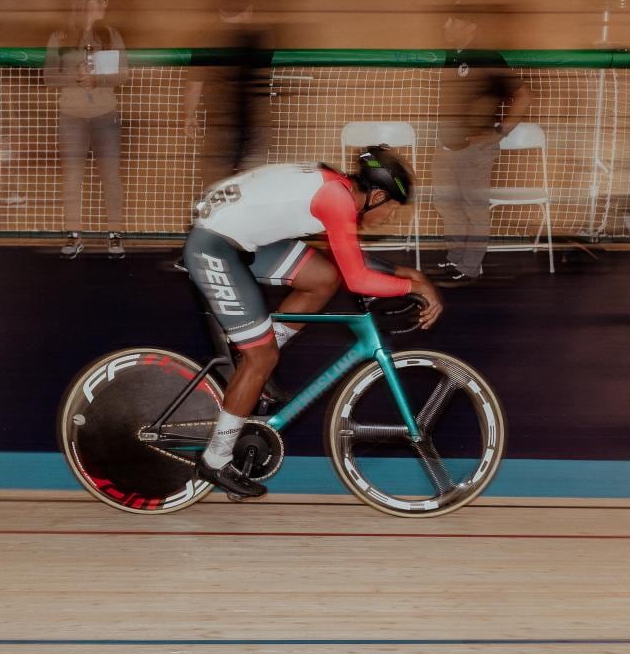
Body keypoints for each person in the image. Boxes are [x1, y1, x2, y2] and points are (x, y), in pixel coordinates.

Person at [183, 148, 444, 497]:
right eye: (392, 209)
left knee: (322, 277)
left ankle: (253, 359)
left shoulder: (337, 188)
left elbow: (347, 256)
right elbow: (359, 279)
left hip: (239, 236)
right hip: (214, 246)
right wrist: (412, 287)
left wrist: (409, 275)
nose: (389, 218)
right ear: (377, 196)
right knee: (263, 358)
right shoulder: (336, 200)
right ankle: (215, 460)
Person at [431, 7, 532, 283]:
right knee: (447, 204)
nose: (446, 28)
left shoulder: (487, 57)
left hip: (474, 149)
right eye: (446, 22)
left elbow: (522, 95)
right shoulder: (453, 57)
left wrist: (501, 131)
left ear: (471, 28)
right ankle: (455, 260)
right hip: (446, 146)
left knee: (473, 207)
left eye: (453, 23)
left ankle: (470, 267)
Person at [45, 0, 128, 259]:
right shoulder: (60, 36)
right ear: (83, 3)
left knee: (111, 177)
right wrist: (76, 78)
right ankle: (73, 233)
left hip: (105, 115)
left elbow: (123, 75)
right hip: (72, 117)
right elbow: (49, 77)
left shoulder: (111, 34)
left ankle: (115, 234)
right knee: (72, 177)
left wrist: (98, 79)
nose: (105, 3)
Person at [183, 0, 274, 193]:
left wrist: (189, 115)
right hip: (255, 127)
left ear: (220, 10)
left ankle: (213, 224)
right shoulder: (261, 37)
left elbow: (194, 85)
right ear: (248, 10)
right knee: (252, 188)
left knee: (215, 188)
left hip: (221, 128)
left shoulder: (205, 38)